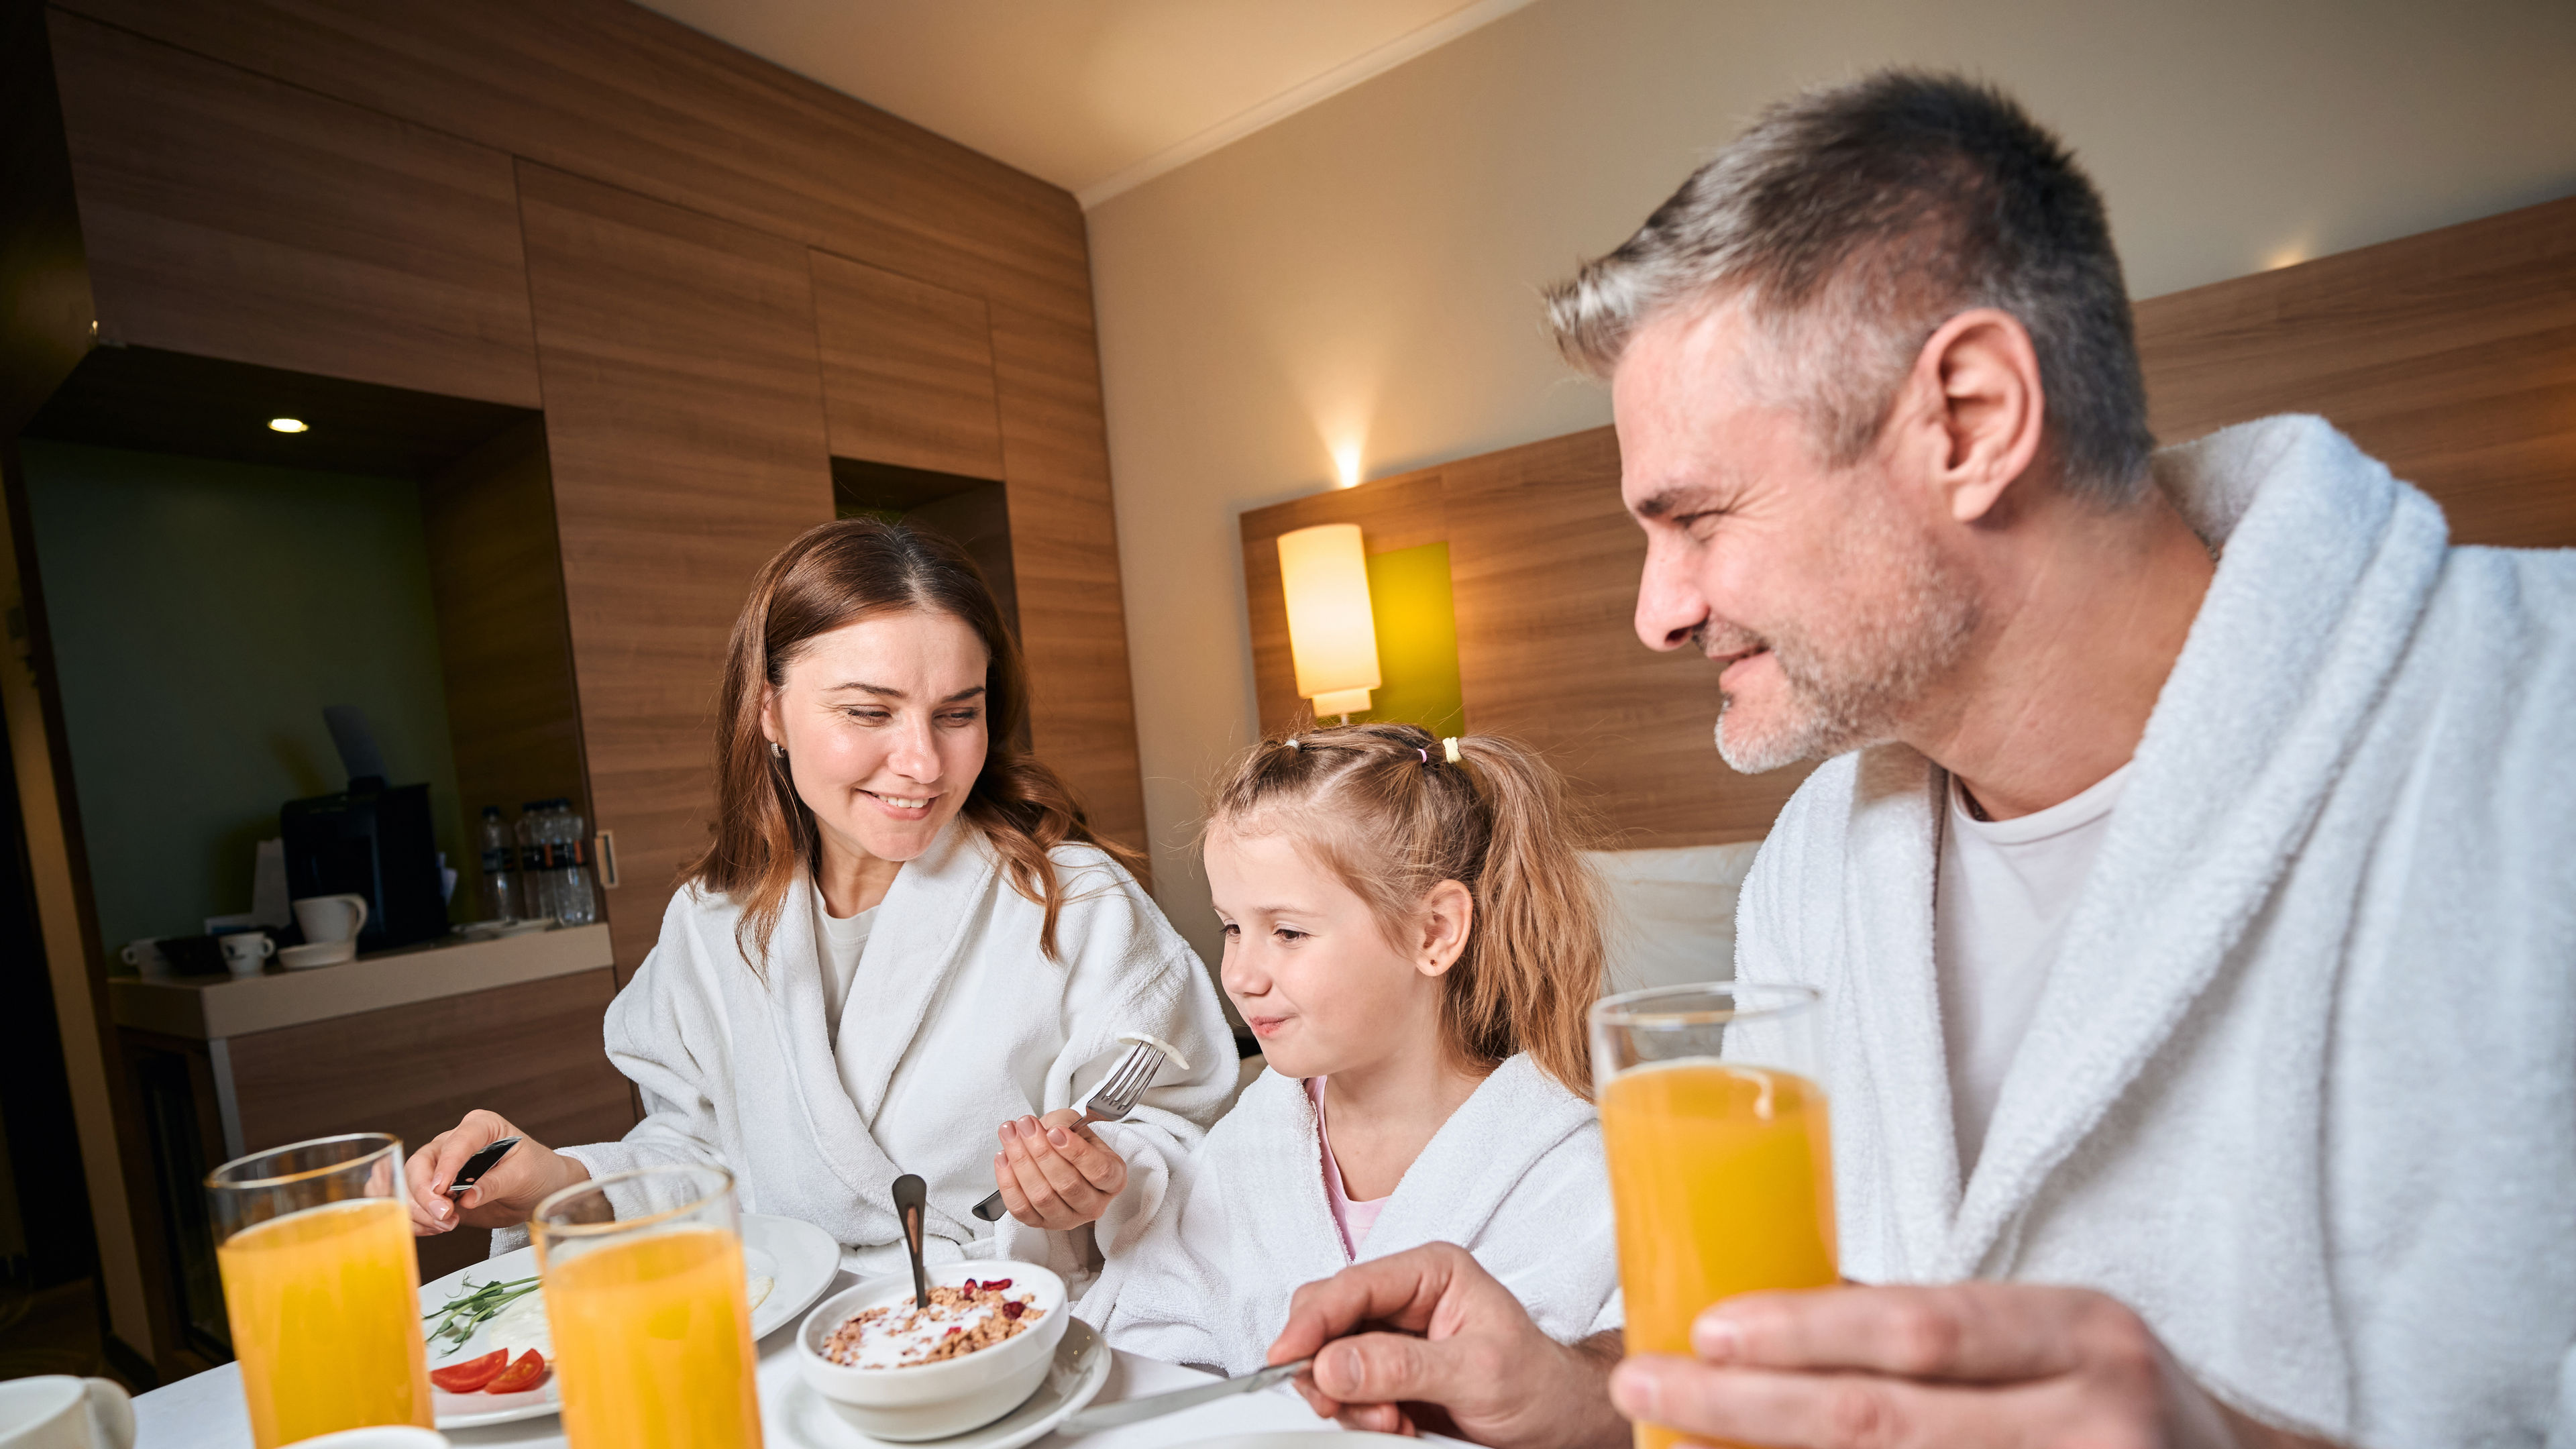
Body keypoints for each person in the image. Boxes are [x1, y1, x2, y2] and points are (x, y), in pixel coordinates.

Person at [1260, 70, 2575, 1449]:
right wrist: (1577, 1387)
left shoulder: (2523, 737)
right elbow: (1833, 1372)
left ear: (1971, 420)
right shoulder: (1824, 870)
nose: (1657, 613)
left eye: (1697, 517)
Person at [401, 519, 1238, 1280]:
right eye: (868, 711)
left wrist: (1101, 1183)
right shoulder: (713, 922)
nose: (922, 763)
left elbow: (1184, 1133)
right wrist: (568, 1184)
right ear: (768, 709)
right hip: (796, 1331)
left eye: (957, 713)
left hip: (1016, 1324)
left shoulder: (1074, 900)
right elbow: (695, 1151)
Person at [1081, 724, 1622, 1381]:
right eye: (1232, 927)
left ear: (1435, 931)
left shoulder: (1567, 1165)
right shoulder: (1253, 1142)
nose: (1242, 976)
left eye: (1287, 931)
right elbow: (1149, 1338)